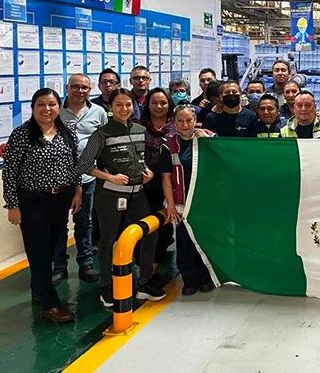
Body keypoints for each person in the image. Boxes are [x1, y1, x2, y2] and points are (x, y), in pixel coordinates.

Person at [77, 89, 165, 308]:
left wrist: (149, 173)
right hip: (109, 195)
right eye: (119, 105)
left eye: (128, 105)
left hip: (138, 195)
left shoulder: (140, 129)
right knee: (108, 240)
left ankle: (145, 282)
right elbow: (84, 165)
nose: (124, 109)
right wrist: (110, 177)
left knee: (149, 233)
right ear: (110, 107)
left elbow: (140, 158)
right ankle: (106, 286)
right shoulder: (102, 134)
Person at [3, 89, 82, 323]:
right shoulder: (21, 135)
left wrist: (77, 191)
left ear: (59, 107)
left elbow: (74, 165)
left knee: (52, 248)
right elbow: (9, 173)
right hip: (32, 202)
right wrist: (12, 205)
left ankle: (39, 289)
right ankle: (50, 303)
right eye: (41, 104)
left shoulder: (67, 133)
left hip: (60, 200)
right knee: (38, 252)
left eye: (52, 104)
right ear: (33, 107)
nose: (47, 109)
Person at [53, 74, 107, 286]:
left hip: (86, 179)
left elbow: (104, 140)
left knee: (85, 222)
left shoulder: (99, 112)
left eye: (84, 87)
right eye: (75, 86)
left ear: (90, 89)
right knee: (58, 224)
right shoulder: (56, 111)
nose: (79, 91)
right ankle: (59, 266)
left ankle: (85, 263)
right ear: (67, 88)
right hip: (59, 179)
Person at [159, 104, 216, 295]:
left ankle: (206, 278)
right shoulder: (169, 145)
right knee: (184, 243)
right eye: (180, 121)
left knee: (204, 242)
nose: (185, 124)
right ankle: (190, 280)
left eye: (189, 120)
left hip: (205, 203)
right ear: (174, 123)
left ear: (195, 120)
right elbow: (166, 178)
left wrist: (208, 141)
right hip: (181, 203)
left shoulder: (209, 138)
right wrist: (171, 206)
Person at [140, 88, 177, 277]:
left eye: (163, 102)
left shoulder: (176, 125)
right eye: (154, 102)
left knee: (164, 225)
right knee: (143, 225)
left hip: (169, 185)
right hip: (144, 185)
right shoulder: (138, 126)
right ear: (148, 105)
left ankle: (155, 261)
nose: (159, 106)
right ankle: (144, 262)